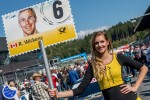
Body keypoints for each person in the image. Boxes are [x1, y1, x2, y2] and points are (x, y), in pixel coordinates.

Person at [49, 31, 148, 100]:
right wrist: (58, 94)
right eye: (96, 43)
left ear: (107, 42)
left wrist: (135, 87)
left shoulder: (119, 57)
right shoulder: (93, 65)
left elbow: (144, 68)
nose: (100, 45)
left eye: (102, 41)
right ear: (93, 46)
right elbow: (80, 89)